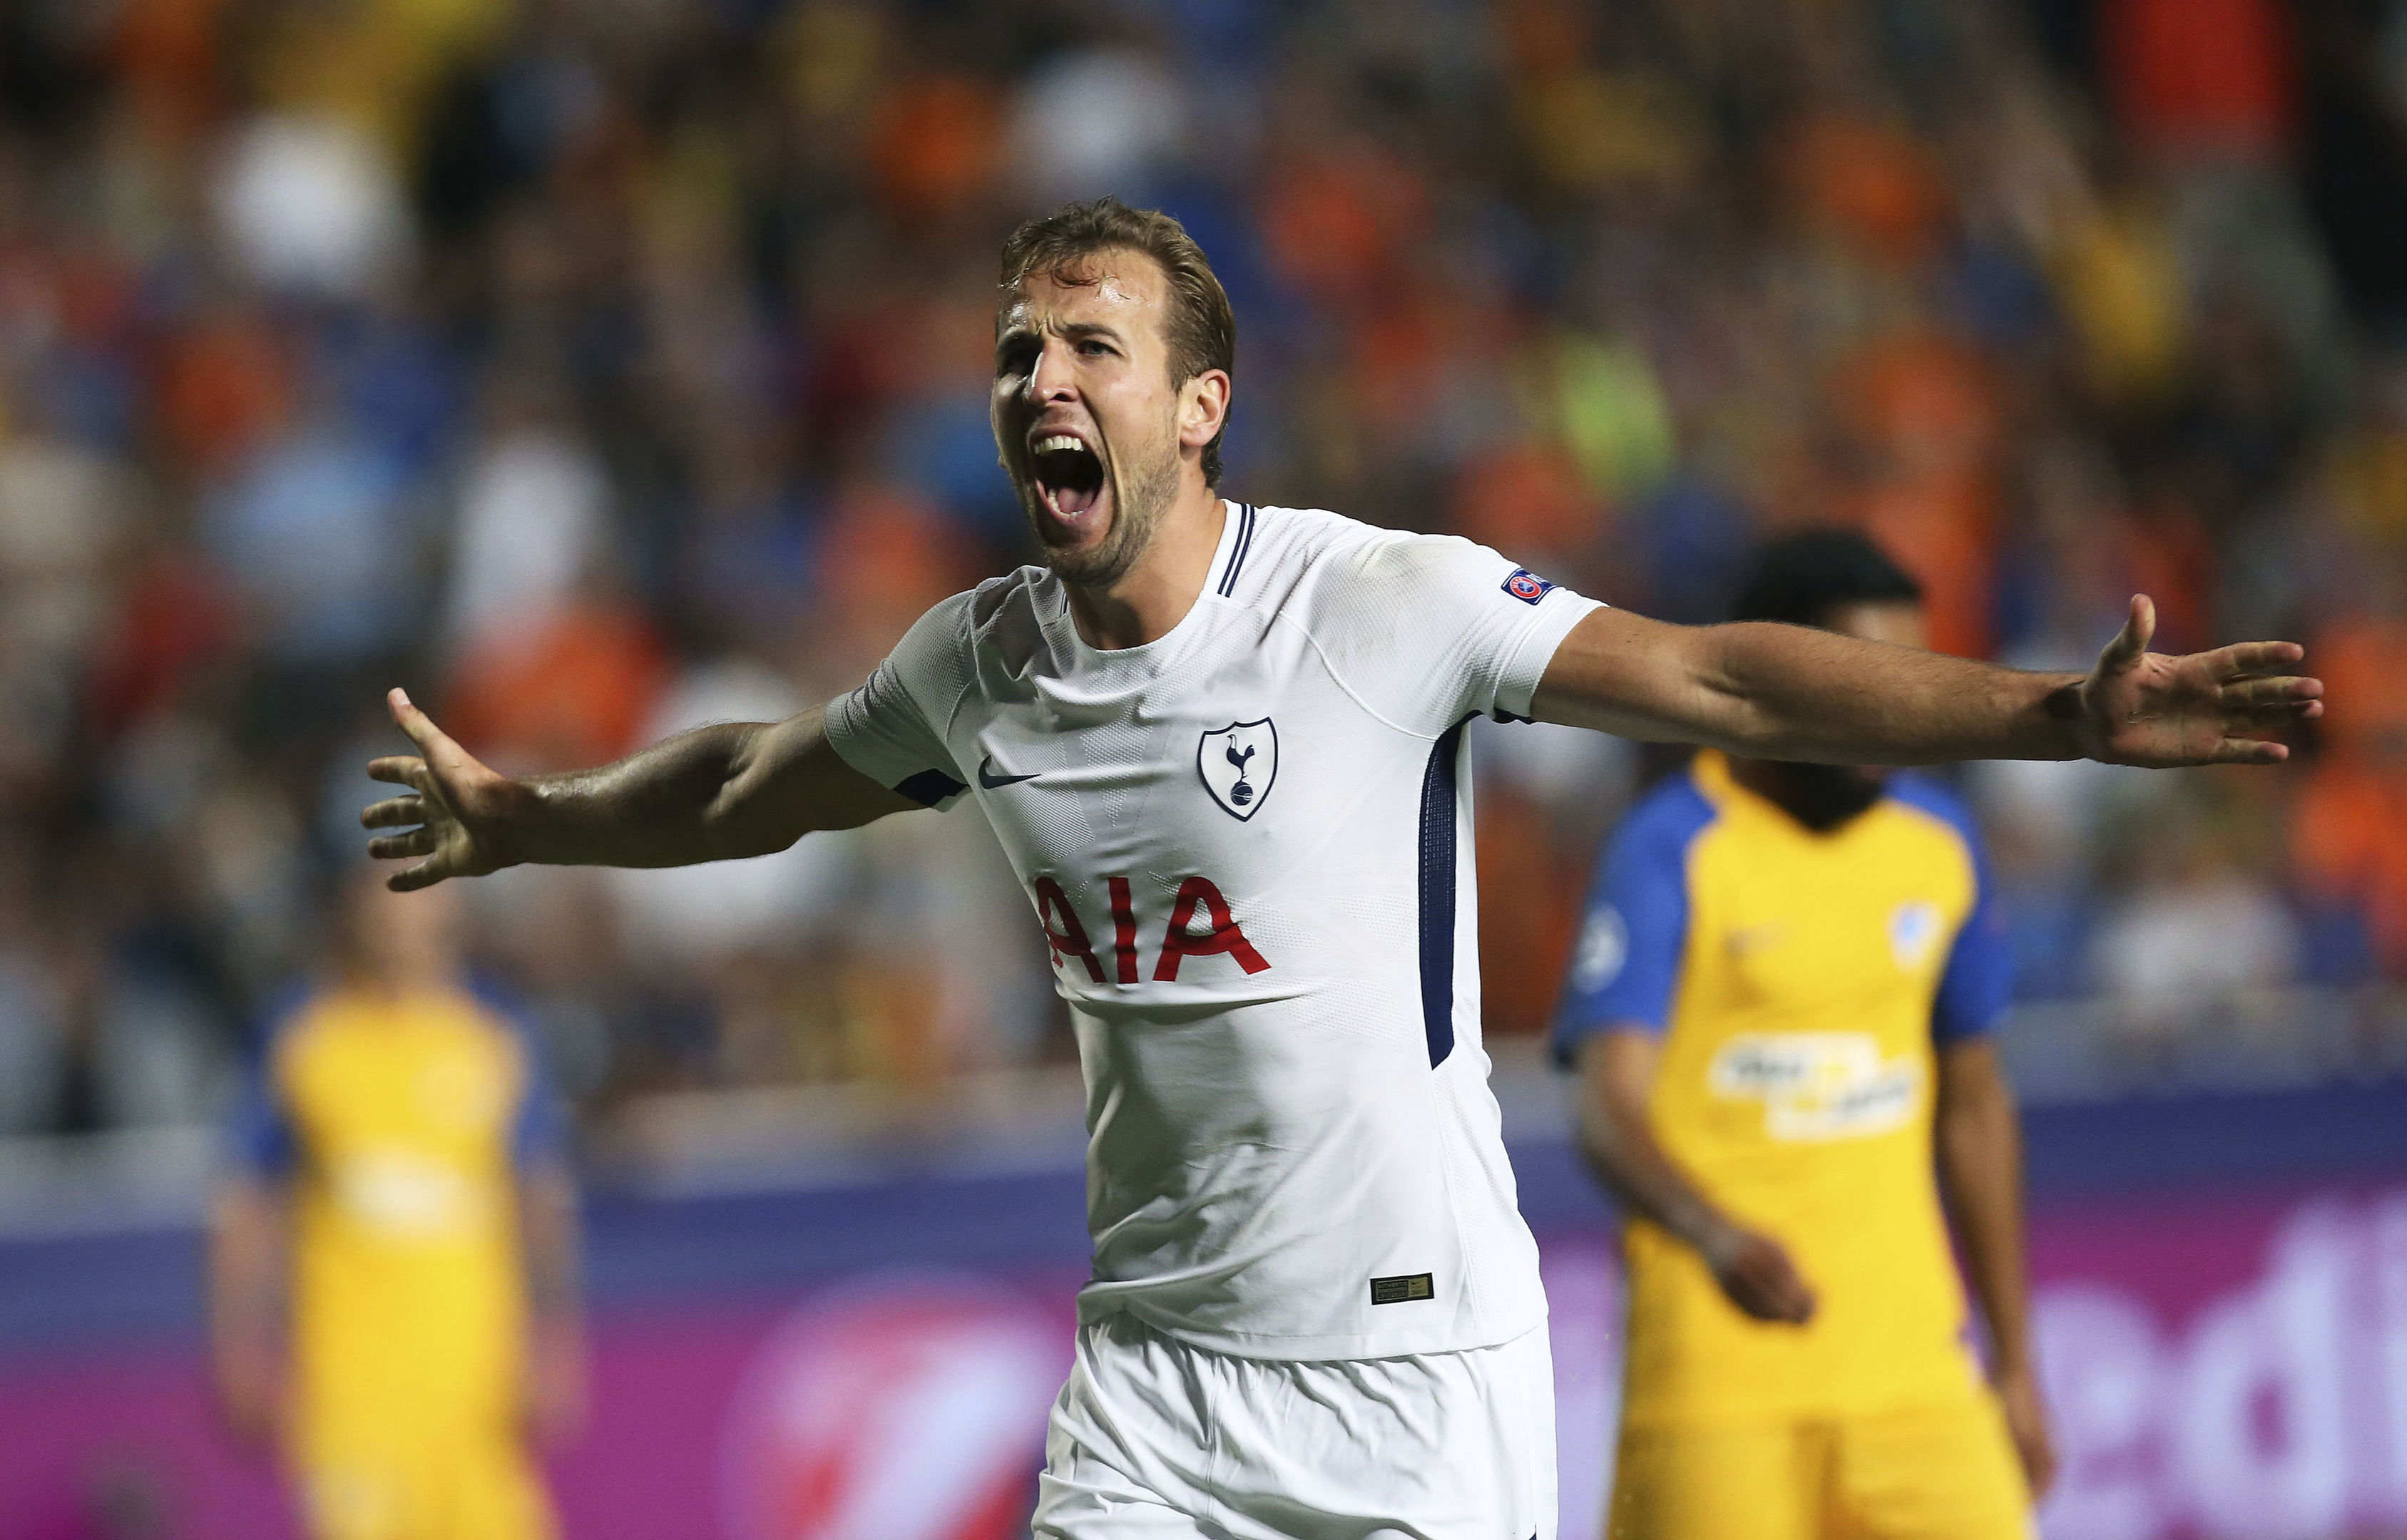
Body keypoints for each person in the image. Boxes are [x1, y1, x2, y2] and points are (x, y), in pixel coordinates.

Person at [358, 199, 2319, 1540]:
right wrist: (537, 818)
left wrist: (2049, 718)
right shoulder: (979, 661)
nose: (1040, 376)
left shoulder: (1381, 604)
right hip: (1151, 1366)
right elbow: (759, 782)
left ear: (1196, 408)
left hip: (1407, 1368)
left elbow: (1718, 674)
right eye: (1016, 348)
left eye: (1090, 347)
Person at [1551, 530, 2052, 1540]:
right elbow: (1607, 1108)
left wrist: (2014, 1361)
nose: (1886, 714)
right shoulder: (1670, 845)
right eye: (1855, 684)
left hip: (1916, 1380)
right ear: (1784, 675)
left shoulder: (1938, 844)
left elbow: (1973, 1110)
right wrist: (1713, 1235)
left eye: (1902, 682)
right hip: (1716, 1387)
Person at [210, 866, 583, 1540]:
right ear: (351, 905)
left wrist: (555, 1338)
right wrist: (240, 1348)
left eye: (421, 883)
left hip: (476, 1383)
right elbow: (246, 1200)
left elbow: (538, 1192)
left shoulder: (496, 1034)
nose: (402, 906)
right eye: (383, 885)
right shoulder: (304, 1034)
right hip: (349, 1383)